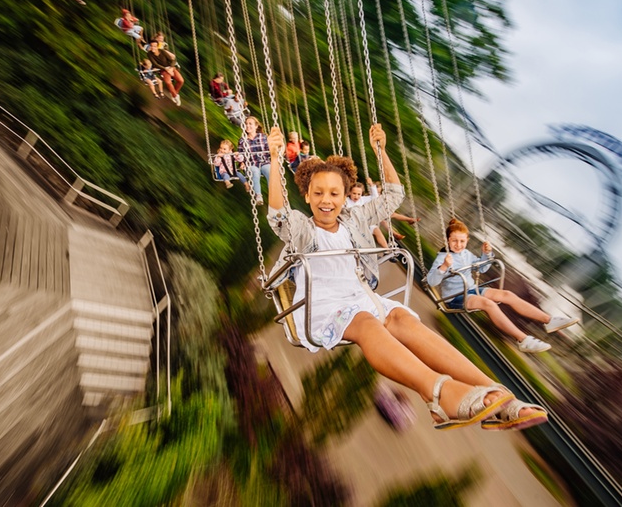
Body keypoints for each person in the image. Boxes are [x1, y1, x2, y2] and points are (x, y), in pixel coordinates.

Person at [265, 123, 547, 431]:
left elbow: (393, 194)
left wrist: (381, 152)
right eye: (317, 193)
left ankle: (500, 397)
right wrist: (276, 158)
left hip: (363, 298)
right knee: (367, 323)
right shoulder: (304, 230)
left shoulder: (355, 218)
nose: (326, 200)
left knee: (403, 318)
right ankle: (438, 392)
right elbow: (279, 215)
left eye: (335, 193)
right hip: (324, 306)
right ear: (306, 196)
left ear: (346, 197)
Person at [427, 219, 579, 353]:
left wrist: (486, 255)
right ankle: (523, 340)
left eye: (462, 241)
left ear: (467, 240)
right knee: (489, 304)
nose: (458, 245)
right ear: (448, 240)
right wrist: (444, 267)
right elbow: (431, 281)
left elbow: (482, 269)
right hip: (455, 297)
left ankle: (548, 320)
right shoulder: (442, 257)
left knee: (507, 295)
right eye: (454, 241)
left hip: (472, 290)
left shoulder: (466, 254)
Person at [238, 116, 271, 205]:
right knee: (255, 172)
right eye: (246, 124)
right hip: (251, 164)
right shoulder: (242, 140)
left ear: (256, 126)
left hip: (264, 161)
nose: (248, 126)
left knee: (269, 170)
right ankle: (258, 195)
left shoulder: (263, 137)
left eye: (250, 124)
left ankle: (272, 195)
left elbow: (269, 151)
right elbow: (241, 155)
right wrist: (241, 163)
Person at [147, 40, 184, 106]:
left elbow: (172, 60)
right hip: (162, 70)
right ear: (150, 46)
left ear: (157, 46)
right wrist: (165, 69)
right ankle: (175, 96)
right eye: (152, 46)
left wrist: (171, 67)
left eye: (154, 46)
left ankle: (174, 93)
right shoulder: (149, 54)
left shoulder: (162, 52)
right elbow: (155, 64)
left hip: (170, 67)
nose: (153, 48)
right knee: (168, 82)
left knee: (181, 81)